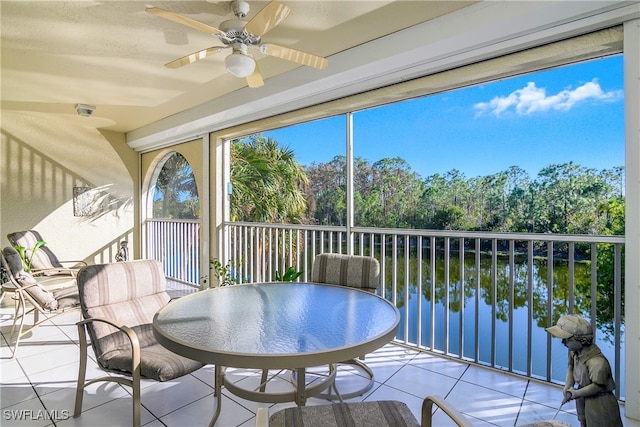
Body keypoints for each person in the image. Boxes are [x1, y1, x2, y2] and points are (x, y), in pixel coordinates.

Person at [546, 314, 623, 427]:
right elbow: (571, 368)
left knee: (598, 423)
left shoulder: (597, 362)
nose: (563, 342)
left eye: (567, 339)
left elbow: (597, 386)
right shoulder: (574, 353)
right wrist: (568, 385)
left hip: (599, 401)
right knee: (584, 421)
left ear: (581, 339)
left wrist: (576, 393)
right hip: (582, 396)